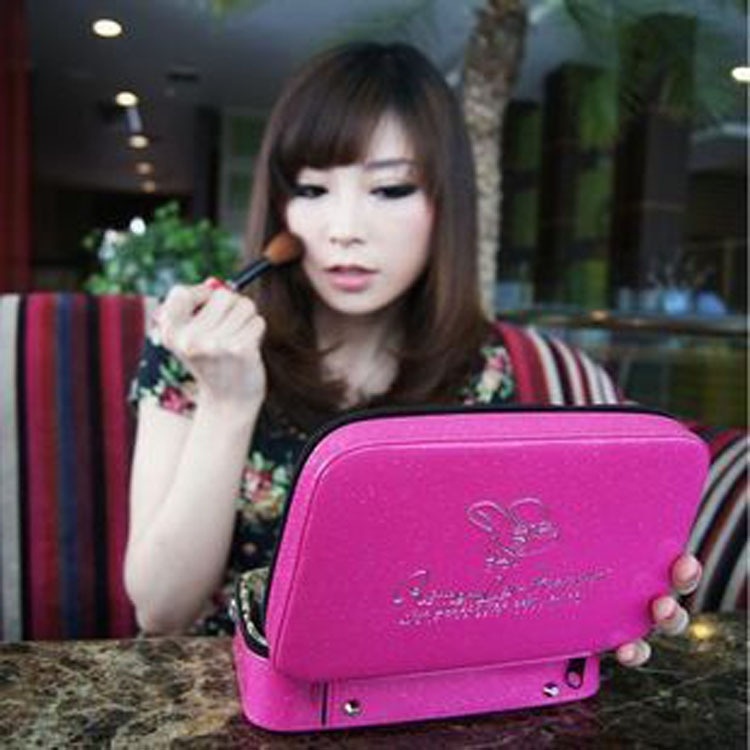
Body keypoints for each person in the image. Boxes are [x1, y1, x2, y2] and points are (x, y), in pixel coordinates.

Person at [124, 42, 703, 666]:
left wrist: (599, 602)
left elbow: (493, 576)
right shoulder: (195, 347)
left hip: (409, 687)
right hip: (227, 684)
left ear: (445, 204)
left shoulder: (485, 370)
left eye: (391, 188)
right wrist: (228, 402)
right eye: (313, 189)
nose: (345, 228)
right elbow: (160, 610)